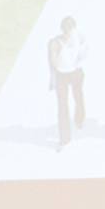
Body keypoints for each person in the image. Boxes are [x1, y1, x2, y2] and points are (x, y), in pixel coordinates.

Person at [46, 16, 86, 148]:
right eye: (68, 30)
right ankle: (64, 138)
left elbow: (85, 49)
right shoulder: (55, 43)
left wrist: (80, 59)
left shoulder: (79, 36)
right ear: (63, 30)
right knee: (62, 105)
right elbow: (53, 62)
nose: (70, 33)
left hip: (75, 73)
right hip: (61, 75)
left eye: (72, 29)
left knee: (78, 97)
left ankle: (79, 119)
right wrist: (53, 79)